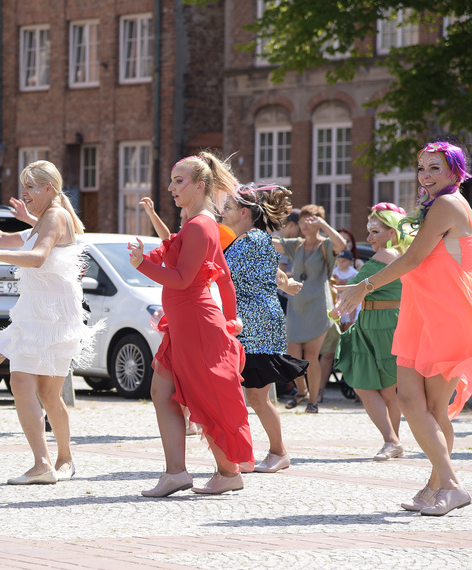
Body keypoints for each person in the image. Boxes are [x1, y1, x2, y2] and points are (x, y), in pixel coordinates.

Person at [0, 160, 102, 484]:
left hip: (51, 316)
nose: (24, 192)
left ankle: (58, 461)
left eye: (30, 186)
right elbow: (3, 238)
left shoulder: (54, 216)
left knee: (45, 391)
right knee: (33, 387)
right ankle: (50, 462)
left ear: (48, 189)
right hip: (41, 313)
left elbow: (37, 257)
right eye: (23, 185)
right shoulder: (45, 219)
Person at [336, 141, 472, 516]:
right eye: (421, 168)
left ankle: (449, 485)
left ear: (455, 172)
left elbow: (413, 259)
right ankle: (437, 485)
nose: (425, 175)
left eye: (434, 168)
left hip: (445, 313)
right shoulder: (435, 205)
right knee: (414, 403)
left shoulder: (448, 204)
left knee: (430, 407)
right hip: (419, 312)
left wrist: (363, 287)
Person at [128, 152, 253, 497]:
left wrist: (141, 265)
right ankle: (176, 473)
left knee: (205, 396)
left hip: (195, 323)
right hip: (185, 324)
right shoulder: (197, 224)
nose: (171, 187)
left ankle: (228, 472)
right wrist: (232, 315)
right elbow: (223, 277)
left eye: (178, 181)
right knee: (162, 392)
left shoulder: (199, 225)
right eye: (171, 180)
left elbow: (182, 279)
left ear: (200, 186)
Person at [220, 184, 309, 474]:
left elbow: (222, 270)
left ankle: (278, 452)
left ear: (244, 213)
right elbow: (272, 270)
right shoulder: (250, 239)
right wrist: (285, 282)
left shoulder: (253, 238)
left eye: (229, 207)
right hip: (250, 322)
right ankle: (252, 452)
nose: (223, 212)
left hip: (257, 325)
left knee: (257, 396)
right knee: (253, 396)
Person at [332, 203, 412, 461]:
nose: (368, 237)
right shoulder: (404, 254)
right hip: (387, 321)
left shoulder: (385, 255)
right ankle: (393, 442)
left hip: (379, 323)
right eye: (368, 231)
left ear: (392, 232)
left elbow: (354, 287)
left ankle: (391, 441)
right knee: (388, 389)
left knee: (364, 384)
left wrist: (336, 307)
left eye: (375, 231)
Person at [274, 204, 347, 412]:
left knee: (311, 356)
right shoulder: (296, 245)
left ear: (319, 221)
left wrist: (323, 225)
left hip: (318, 306)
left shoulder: (326, 245)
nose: (305, 224)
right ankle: (301, 391)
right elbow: (272, 243)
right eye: (302, 220)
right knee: (293, 356)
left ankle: (313, 401)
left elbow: (341, 245)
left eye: (310, 220)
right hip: (296, 306)